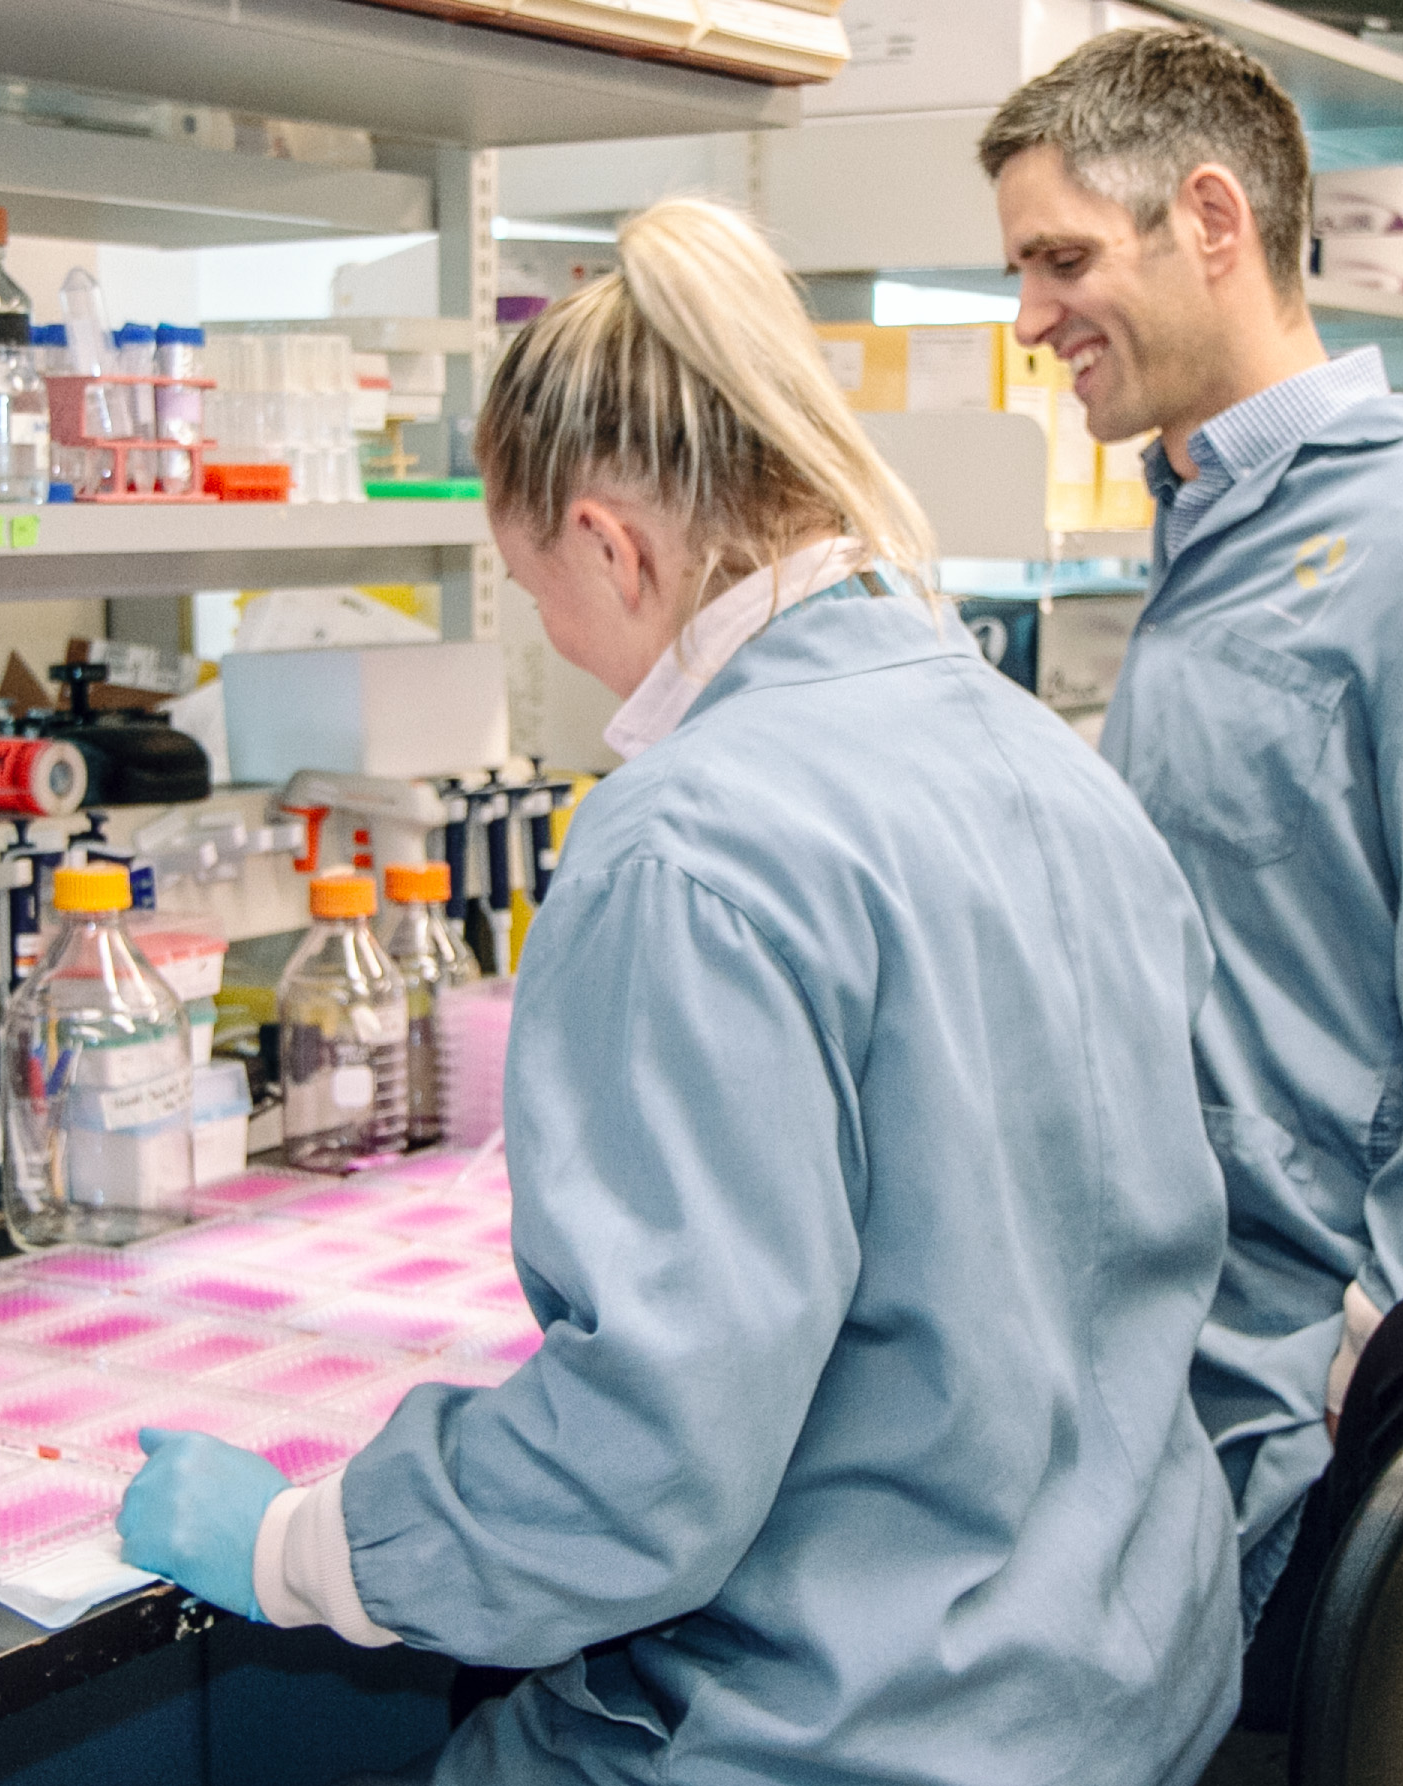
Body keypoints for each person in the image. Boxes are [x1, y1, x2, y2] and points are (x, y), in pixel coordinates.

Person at [116, 197, 1242, 1785]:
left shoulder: (689, 838)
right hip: (1125, 1679)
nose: (569, 654)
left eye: (539, 596)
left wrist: (310, 1544)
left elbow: (645, 1464)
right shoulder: (1045, 758)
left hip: (856, 1729)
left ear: (609, 541)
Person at [978, 26, 1403, 1720]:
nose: (1031, 317)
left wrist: (1391, 1388)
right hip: (1187, 1361)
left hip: (1311, 1405)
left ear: (1211, 219)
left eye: (1060, 259)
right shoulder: (1208, 531)